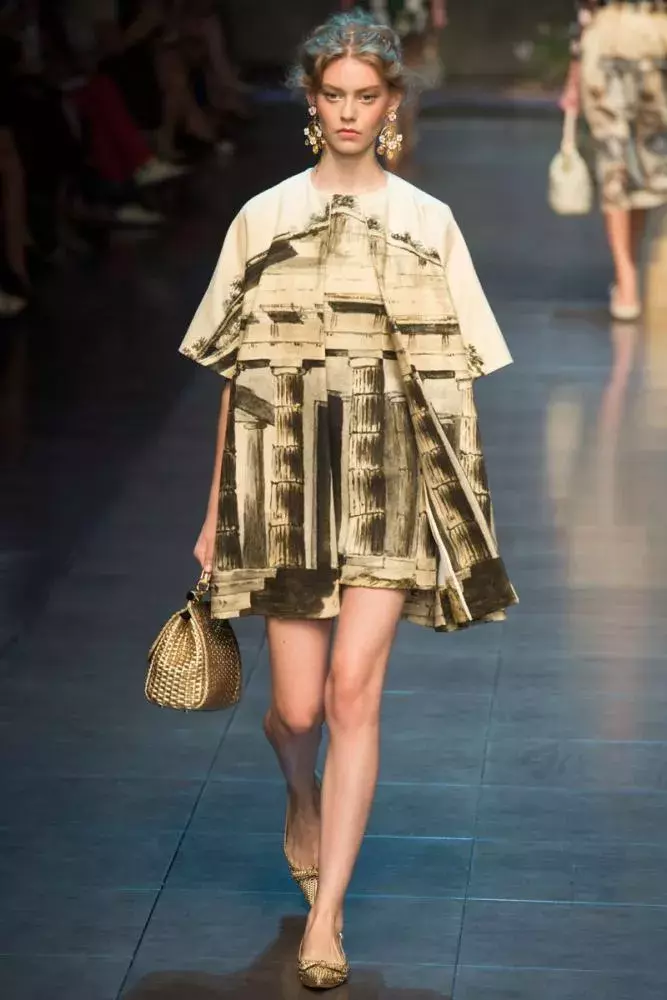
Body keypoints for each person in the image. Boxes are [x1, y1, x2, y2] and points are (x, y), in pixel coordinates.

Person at [179, 9, 516, 989]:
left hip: (387, 479)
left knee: (351, 694)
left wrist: (460, 517)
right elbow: (235, 374)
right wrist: (214, 512)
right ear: (312, 99)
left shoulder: (428, 223)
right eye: (334, 94)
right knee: (295, 712)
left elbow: (454, 384)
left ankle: (327, 917)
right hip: (282, 478)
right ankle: (301, 794)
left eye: (367, 95)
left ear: (392, 102)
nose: (350, 112)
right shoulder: (263, 217)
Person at [560, 1, 667, 321]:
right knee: (647, 162)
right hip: (656, 34)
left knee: (616, 160)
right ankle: (629, 274)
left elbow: (585, 9)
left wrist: (575, 68)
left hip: (608, 36)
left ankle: (627, 281)